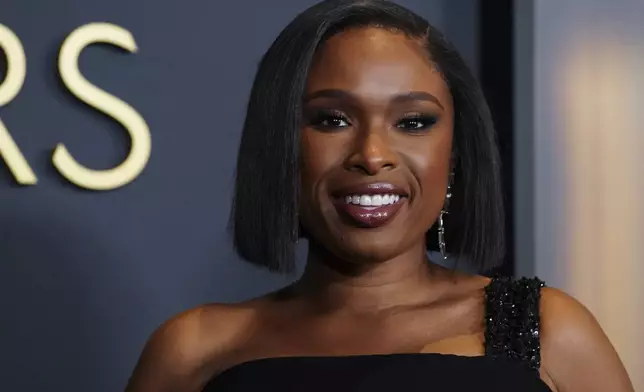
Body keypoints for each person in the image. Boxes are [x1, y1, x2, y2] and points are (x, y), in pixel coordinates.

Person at [124, 0, 634, 391]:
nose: (371, 155)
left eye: (413, 122)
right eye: (332, 120)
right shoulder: (193, 349)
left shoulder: (547, 328)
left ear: (454, 152)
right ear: (280, 145)